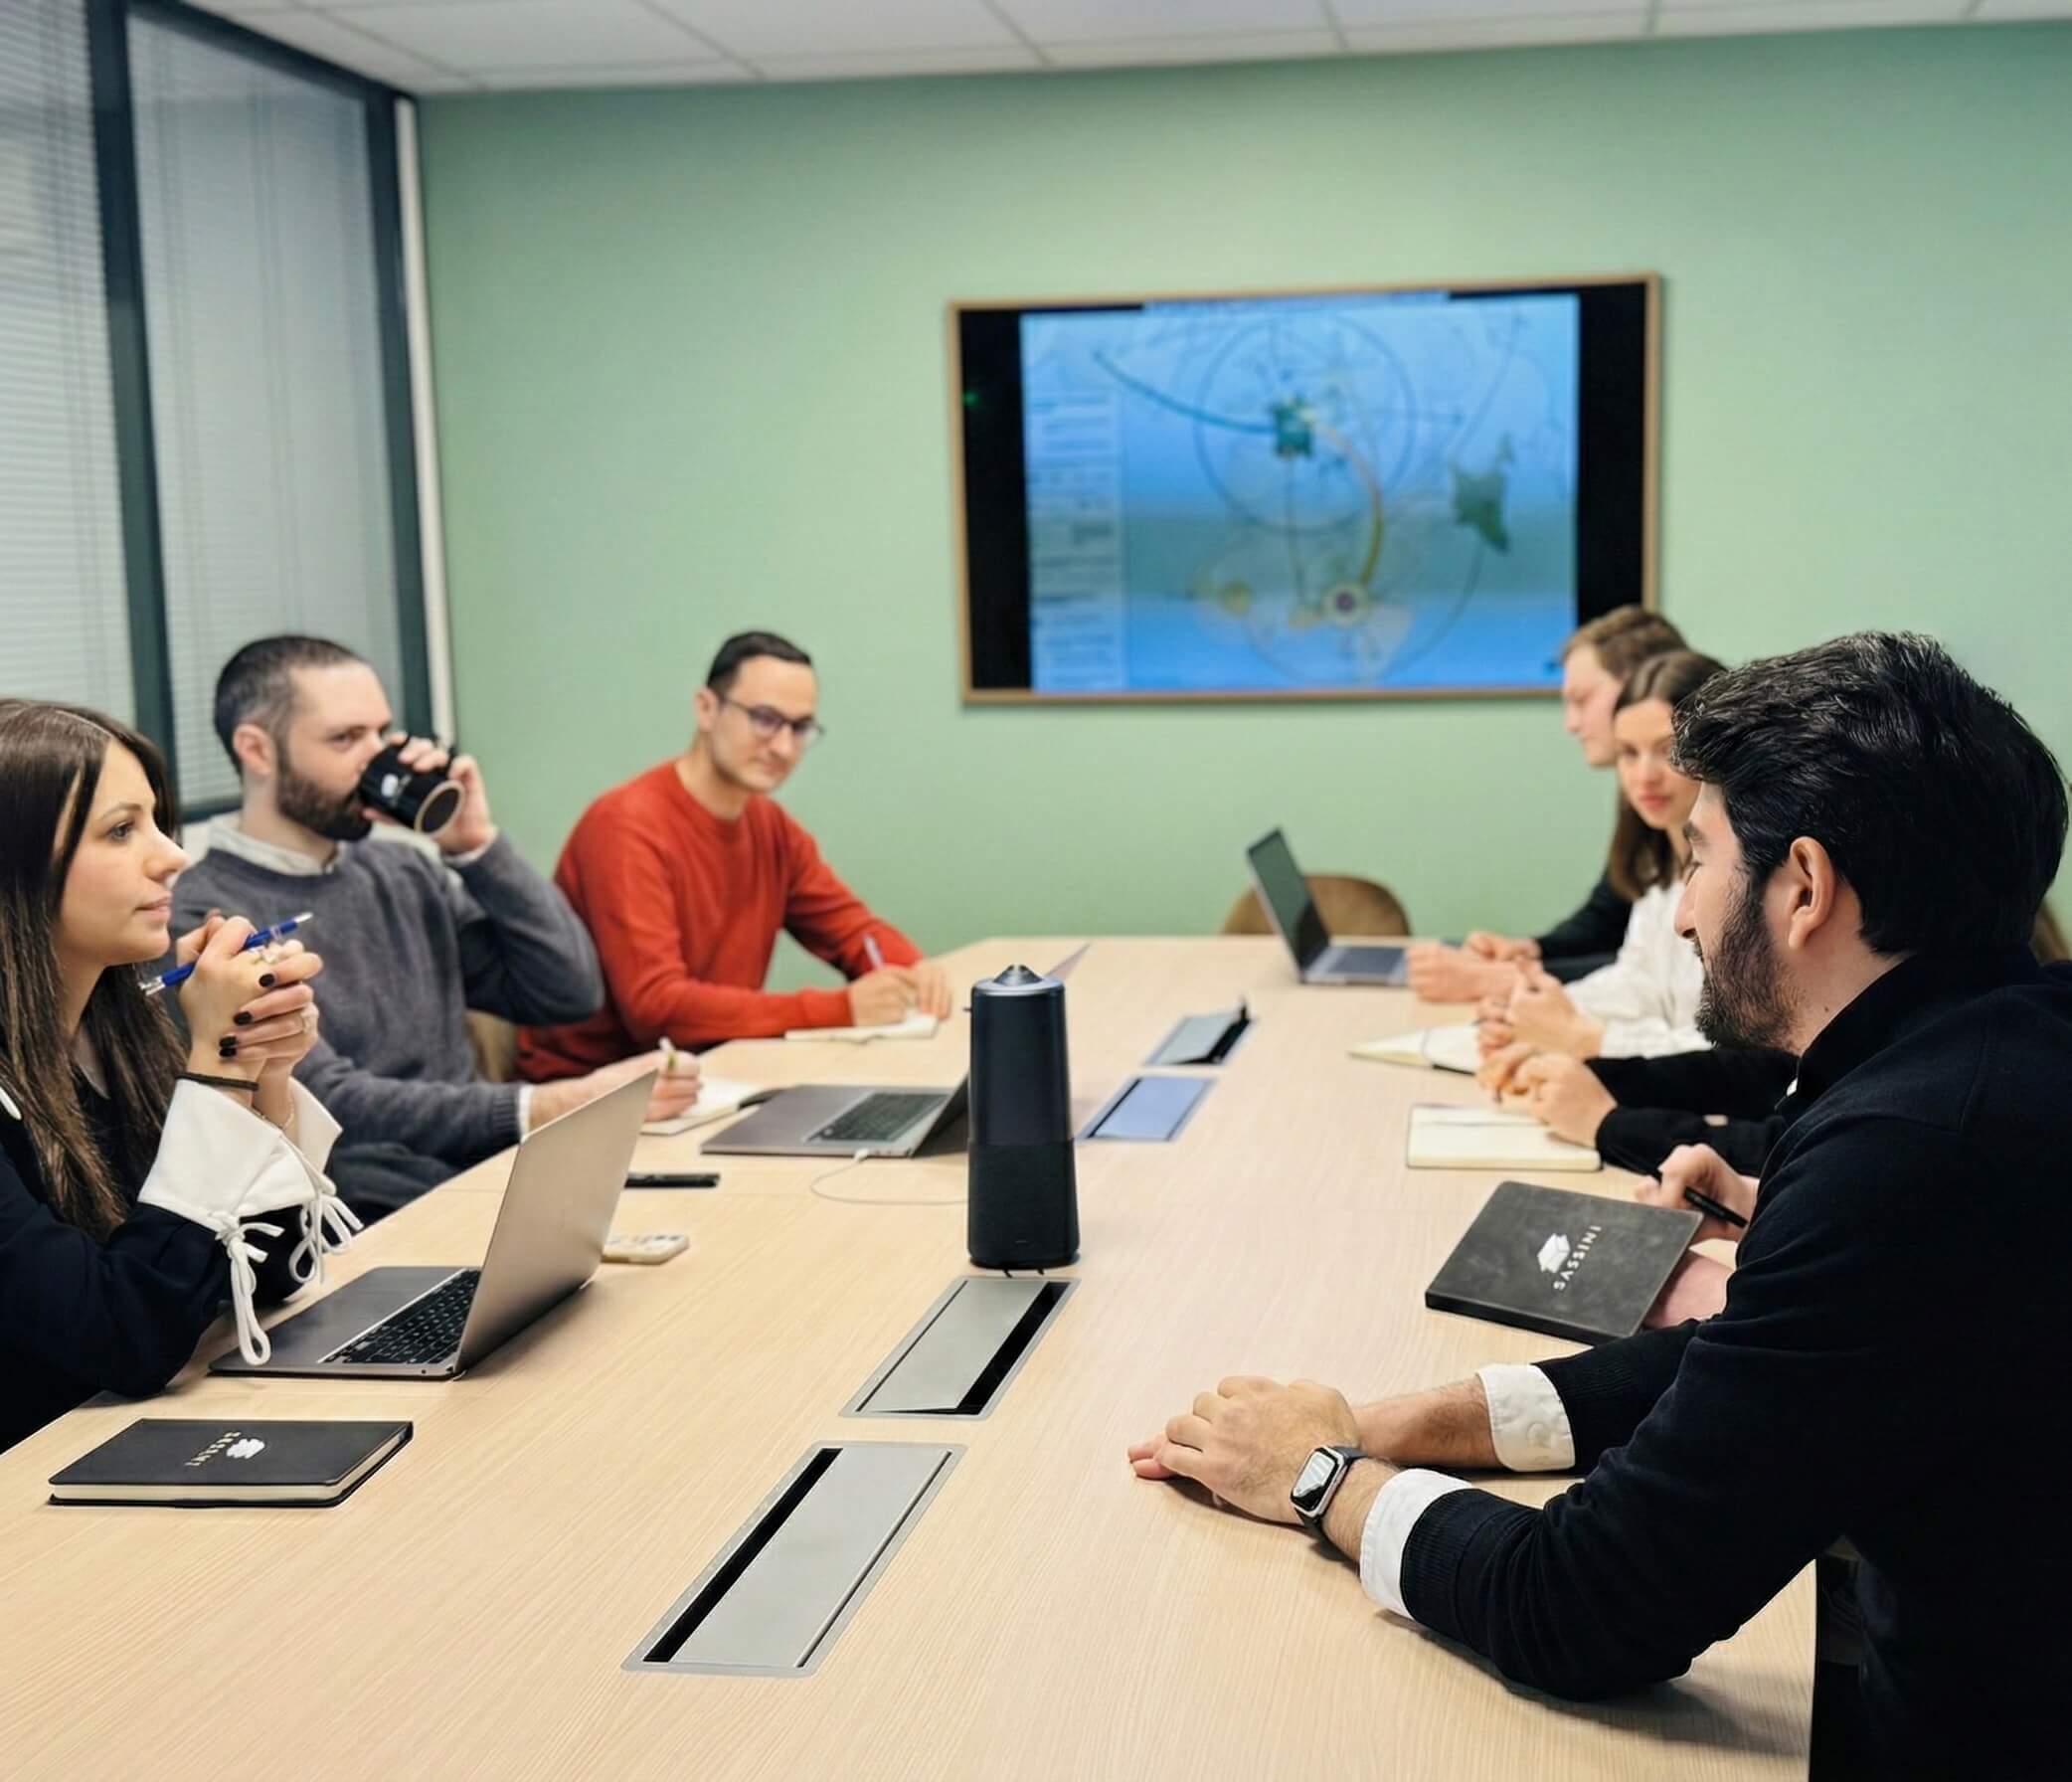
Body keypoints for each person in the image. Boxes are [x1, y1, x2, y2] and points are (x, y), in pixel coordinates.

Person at [1129, 633, 2071, 1776]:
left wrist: (1319, 1479)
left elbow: (1582, 1608)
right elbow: (1746, 1355)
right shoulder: (1994, 1048)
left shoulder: (1911, 1154)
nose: (1679, 915)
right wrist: (1401, 1422)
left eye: (1699, 858)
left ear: (1804, 887)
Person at [170, 637, 697, 1216]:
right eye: (345, 739)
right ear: (258, 751)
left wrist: (475, 845)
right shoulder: (205, 919)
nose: (376, 759)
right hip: (371, 1210)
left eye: (381, 733)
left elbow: (568, 991)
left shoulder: (403, 870)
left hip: (492, 1176)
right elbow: (329, 1103)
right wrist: (543, 1107)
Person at [0, 701, 358, 1452]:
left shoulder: (115, 1035)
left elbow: (273, 1276)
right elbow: (127, 1340)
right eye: (122, 830)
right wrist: (218, 1073)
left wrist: (264, 1074)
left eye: (157, 822)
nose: (173, 856)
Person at [519, 630, 954, 1078]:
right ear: (707, 709)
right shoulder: (626, 825)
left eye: (800, 728)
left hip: (707, 1078)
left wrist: (912, 970)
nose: (784, 747)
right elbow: (657, 1008)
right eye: (765, 719)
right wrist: (841, 1008)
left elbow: (851, 930)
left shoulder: (771, 828)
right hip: (595, 1098)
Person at [1407, 606, 1685, 1002]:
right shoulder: (1646, 792)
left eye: (1582, 699)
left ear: (1643, 685)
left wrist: (1511, 980)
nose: (1571, 723)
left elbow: (1673, 983)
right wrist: (1531, 954)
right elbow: (1613, 922)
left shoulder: (1698, 810)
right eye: (1631, 754)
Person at [1475, 649, 1723, 1066]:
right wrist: (1537, 1008)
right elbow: (1638, 982)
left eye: (1668, 751)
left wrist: (1584, 1037)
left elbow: (1740, 1063)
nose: (1644, 775)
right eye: (1628, 753)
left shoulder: (1750, 879)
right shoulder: (1656, 864)